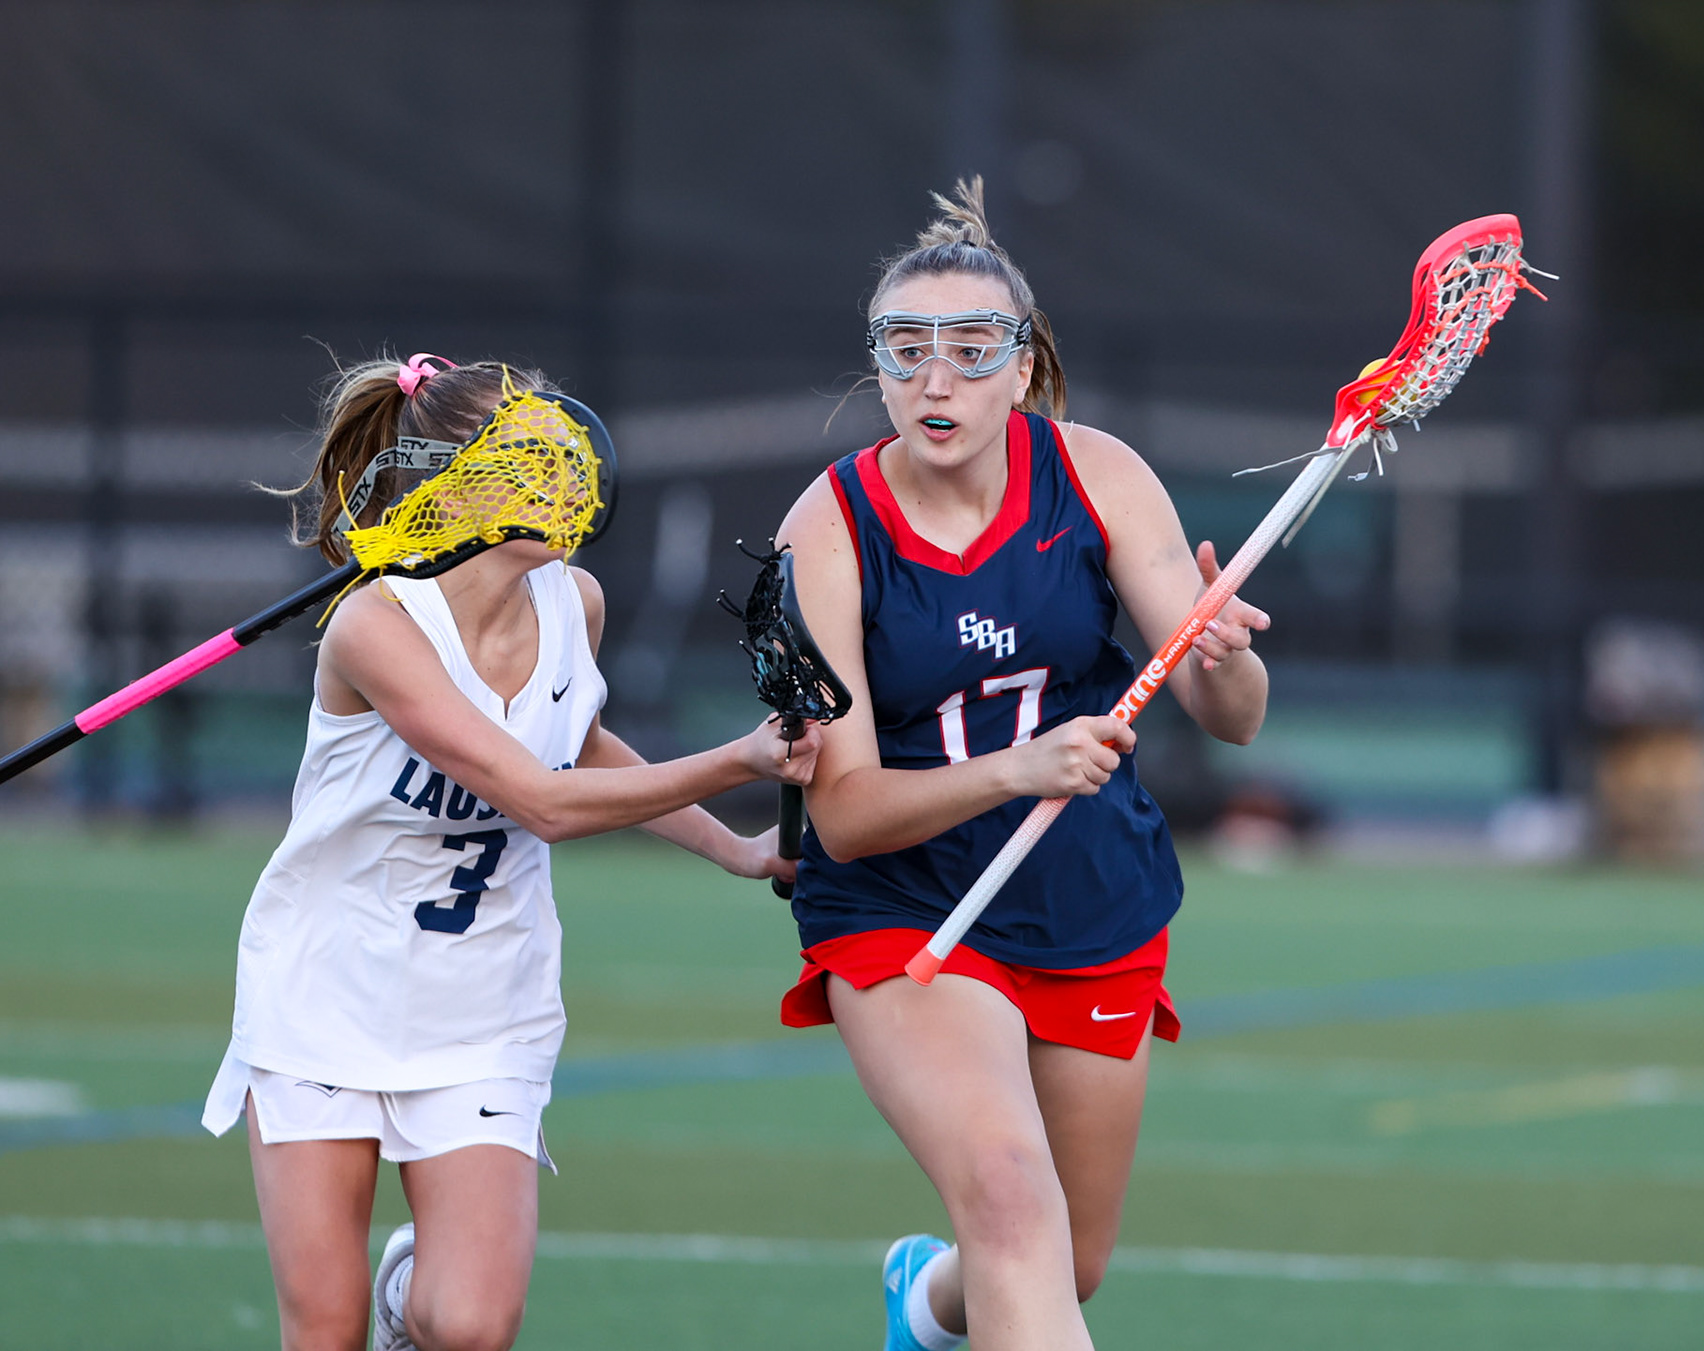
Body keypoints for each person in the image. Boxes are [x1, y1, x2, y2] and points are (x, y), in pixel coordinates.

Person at [200, 354, 822, 1351]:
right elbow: (541, 800)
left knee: (470, 1325)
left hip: (486, 1005)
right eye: (529, 458)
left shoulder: (575, 603)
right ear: (457, 483)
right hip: (324, 990)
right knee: (323, 1330)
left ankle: (411, 1297)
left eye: (559, 454)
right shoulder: (374, 627)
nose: (563, 479)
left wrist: (732, 848)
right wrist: (737, 759)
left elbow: (578, 742)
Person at [777, 180, 1270, 1351]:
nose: (935, 379)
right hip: (908, 906)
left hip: (1087, 895)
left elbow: (1233, 718)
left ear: (1021, 364)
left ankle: (925, 1303)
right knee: (1009, 1198)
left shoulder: (1098, 474)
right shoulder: (827, 530)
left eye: (970, 347)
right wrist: (1020, 768)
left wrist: (1226, 653)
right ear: (878, 369)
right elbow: (845, 815)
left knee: (1065, 1262)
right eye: (905, 349)